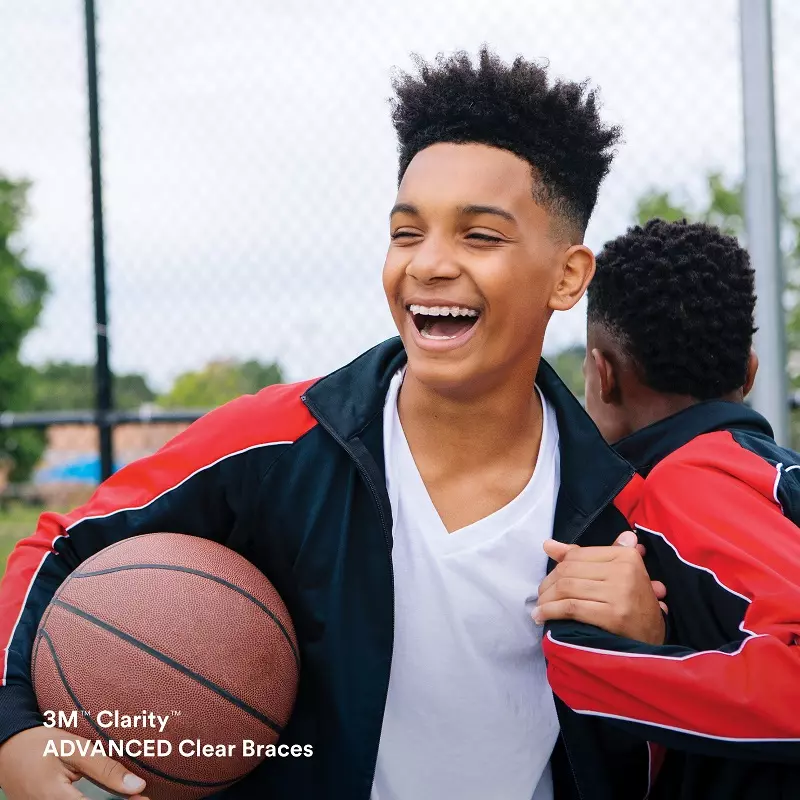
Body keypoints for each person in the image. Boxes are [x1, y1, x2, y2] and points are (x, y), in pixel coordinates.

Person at [0, 49, 664, 800]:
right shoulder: (277, 441)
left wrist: (648, 654)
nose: (430, 263)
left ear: (568, 276)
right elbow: (58, 543)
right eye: (407, 232)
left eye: (480, 236)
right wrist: (14, 726)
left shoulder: (624, 514)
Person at [538, 218, 800, 799]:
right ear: (751, 373)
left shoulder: (689, 483)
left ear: (602, 376)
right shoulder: (765, 470)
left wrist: (591, 662)